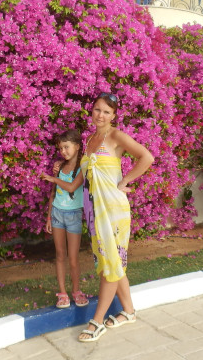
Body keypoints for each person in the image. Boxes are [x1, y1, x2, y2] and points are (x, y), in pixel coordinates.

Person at [42, 93, 154, 342]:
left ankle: (97, 322)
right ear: (91, 111)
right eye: (97, 110)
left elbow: (147, 157)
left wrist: (125, 181)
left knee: (109, 265)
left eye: (106, 111)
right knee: (112, 261)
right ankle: (129, 311)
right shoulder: (90, 139)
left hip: (113, 210)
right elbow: (80, 176)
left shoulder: (116, 136)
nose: (100, 115)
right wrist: (60, 167)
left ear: (113, 115)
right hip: (95, 211)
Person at [45, 129, 89, 309]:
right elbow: (53, 194)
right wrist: (49, 217)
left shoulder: (82, 168)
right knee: (60, 254)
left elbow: (71, 188)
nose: (63, 151)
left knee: (73, 258)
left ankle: (76, 291)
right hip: (57, 213)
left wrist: (53, 179)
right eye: (61, 148)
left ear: (77, 146)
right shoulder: (60, 167)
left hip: (73, 215)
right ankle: (62, 293)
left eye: (66, 147)